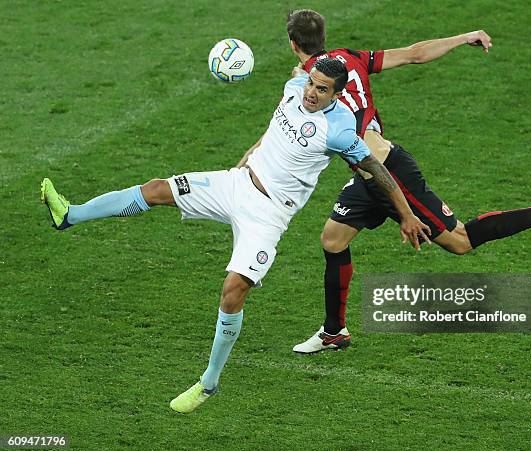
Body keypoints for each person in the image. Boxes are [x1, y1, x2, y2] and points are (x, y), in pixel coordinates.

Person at [41, 58, 432, 413]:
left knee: (233, 290)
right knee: (157, 188)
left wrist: (407, 215)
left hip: (268, 214)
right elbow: (291, 90)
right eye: (312, 84)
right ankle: (70, 215)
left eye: (322, 89)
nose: (312, 93)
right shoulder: (296, 87)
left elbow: (378, 173)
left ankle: (209, 382)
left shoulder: (340, 130)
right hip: (236, 183)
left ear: (337, 93)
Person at [285, 10, 531, 354]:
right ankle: (334, 332)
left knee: (460, 242)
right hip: (366, 176)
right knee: (333, 240)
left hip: (388, 171)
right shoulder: (349, 59)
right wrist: (463, 37)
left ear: (292, 43)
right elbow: (415, 53)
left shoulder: (308, 84)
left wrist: (299, 81)